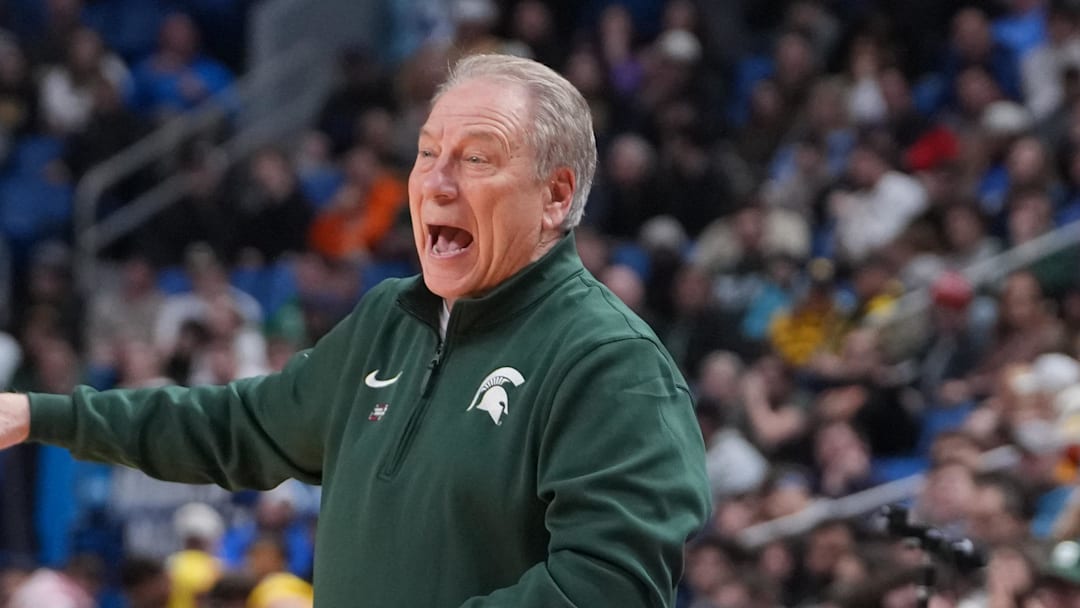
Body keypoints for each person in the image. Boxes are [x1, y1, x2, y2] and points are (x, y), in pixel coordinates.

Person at [0, 54, 711, 606]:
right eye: (428, 151)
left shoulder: (611, 363)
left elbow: (606, 589)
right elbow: (235, 425)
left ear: (556, 195)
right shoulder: (387, 321)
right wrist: (39, 413)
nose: (436, 181)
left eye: (476, 158)